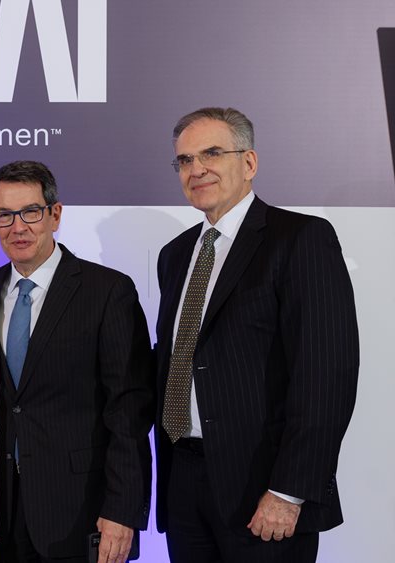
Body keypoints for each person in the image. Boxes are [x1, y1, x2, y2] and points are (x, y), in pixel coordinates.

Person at [154, 107, 359, 562]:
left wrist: (289, 490)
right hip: (183, 480)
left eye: (211, 153)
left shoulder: (300, 238)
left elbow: (326, 375)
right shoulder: (175, 254)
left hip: (263, 488)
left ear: (249, 163)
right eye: (185, 160)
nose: (196, 169)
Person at [0, 161, 154, 563]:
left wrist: (122, 510)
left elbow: (128, 411)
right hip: (3, 514)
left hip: (82, 511)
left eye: (31, 212)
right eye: (4, 214)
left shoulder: (108, 291)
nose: (18, 227)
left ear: (55, 214)